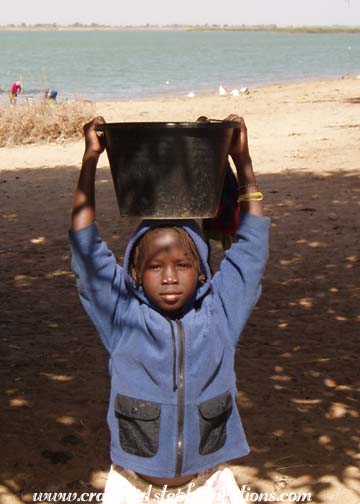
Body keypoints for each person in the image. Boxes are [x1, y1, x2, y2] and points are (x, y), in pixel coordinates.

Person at [69, 115, 270, 503]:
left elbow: (252, 247)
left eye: (183, 265)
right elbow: (85, 246)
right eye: (155, 266)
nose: (170, 277)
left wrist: (243, 160)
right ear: (134, 272)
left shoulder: (221, 313)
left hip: (207, 488)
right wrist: (90, 160)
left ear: (202, 272)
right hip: (132, 489)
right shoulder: (121, 316)